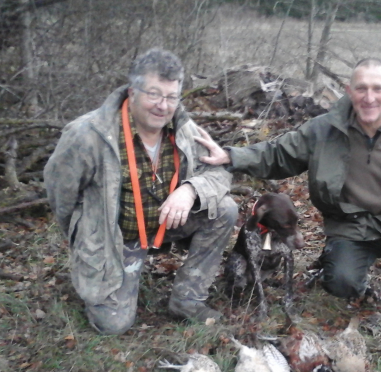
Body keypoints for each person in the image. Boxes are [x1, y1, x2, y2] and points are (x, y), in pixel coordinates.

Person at [195, 58, 381, 321]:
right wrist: (232, 157)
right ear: (349, 91)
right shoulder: (323, 130)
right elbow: (277, 154)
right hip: (353, 227)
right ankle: (343, 259)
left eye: (377, 89)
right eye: (361, 88)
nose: (369, 97)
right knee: (341, 285)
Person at [44, 48, 237, 334]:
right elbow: (61, 196)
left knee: (225, 209)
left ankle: (187, 299)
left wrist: (190, 190)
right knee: (113, 325)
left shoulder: (185, 128)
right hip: (117, 237)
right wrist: (87, 241)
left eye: (171, 97)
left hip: (165, 224)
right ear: (132, 92)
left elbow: (219, 173)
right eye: (154, 94)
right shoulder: (88, 135)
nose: (163, 105)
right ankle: (105, 277)